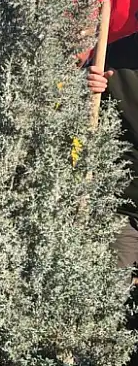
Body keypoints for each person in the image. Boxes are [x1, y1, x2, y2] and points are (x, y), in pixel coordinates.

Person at [86, 35, 138, 273]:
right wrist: (84, 87)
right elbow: (60, 108)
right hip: (121, 211)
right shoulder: (107, 58)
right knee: (106, 298)